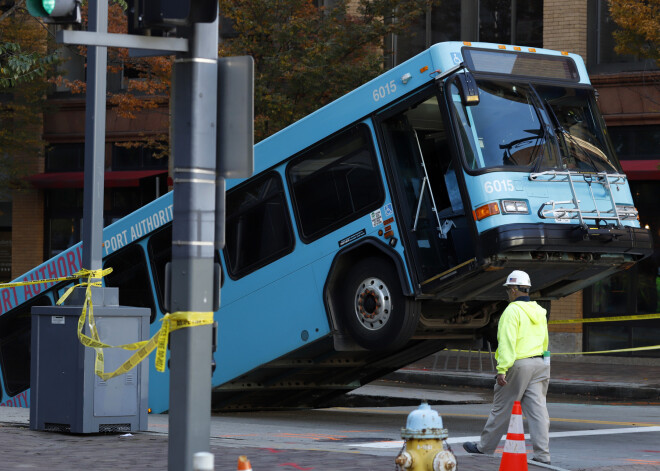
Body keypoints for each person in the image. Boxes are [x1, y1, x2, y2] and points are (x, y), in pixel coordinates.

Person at [463, 270, 551, 465]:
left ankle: (484, 448)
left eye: (508, 290)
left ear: (513, 289)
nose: (507, 293)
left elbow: (507, 343)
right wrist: (545, 364)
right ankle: (543, 455)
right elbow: (545, 341)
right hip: (539, 364)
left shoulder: (512, 311)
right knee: (538, 411)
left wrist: (501, 369)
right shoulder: (539, 311)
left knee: (501, 408)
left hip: (518, 365)